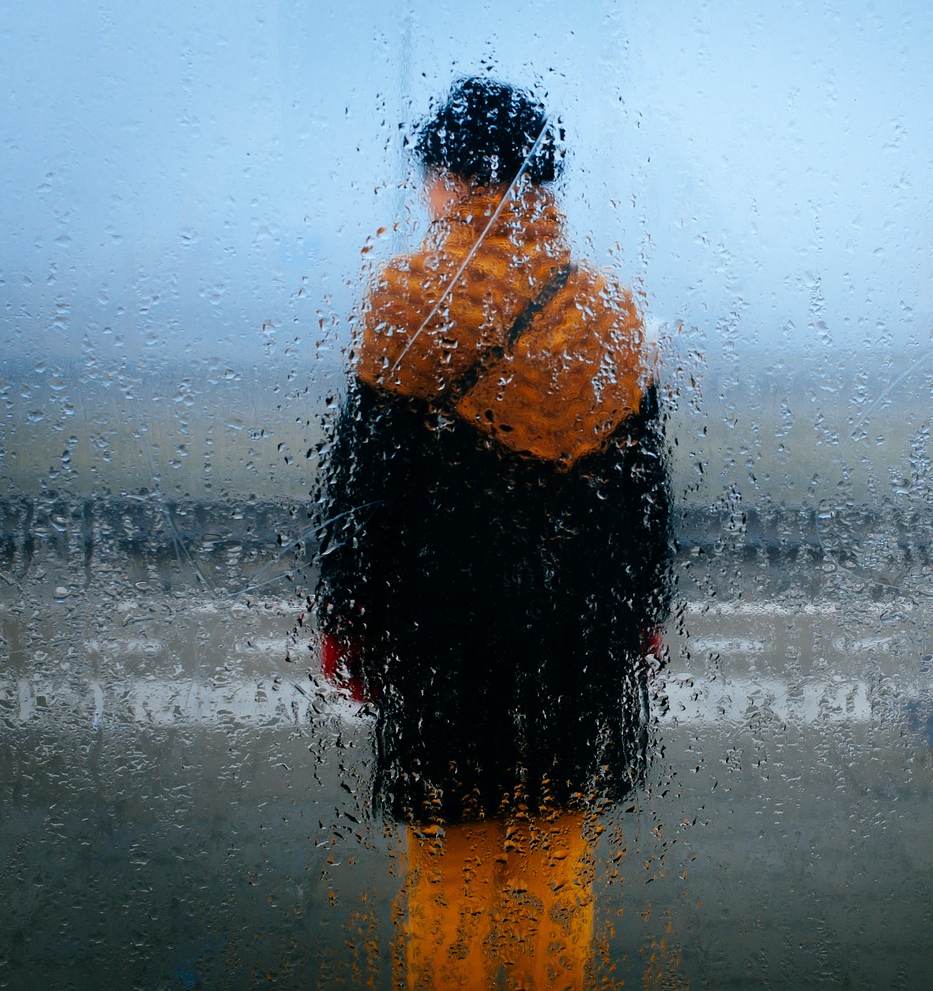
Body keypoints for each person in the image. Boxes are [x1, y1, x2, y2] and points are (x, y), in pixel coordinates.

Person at [313, 76, 672, 988]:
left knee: (450, 859)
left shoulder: (410, 298)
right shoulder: (613, 313)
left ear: (451, 176)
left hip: (446, 624)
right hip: (578, 624)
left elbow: (366, 481)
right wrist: (641, 611)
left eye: (429, 170)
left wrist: (348, 613)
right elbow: (642, 494)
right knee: (557, 849)